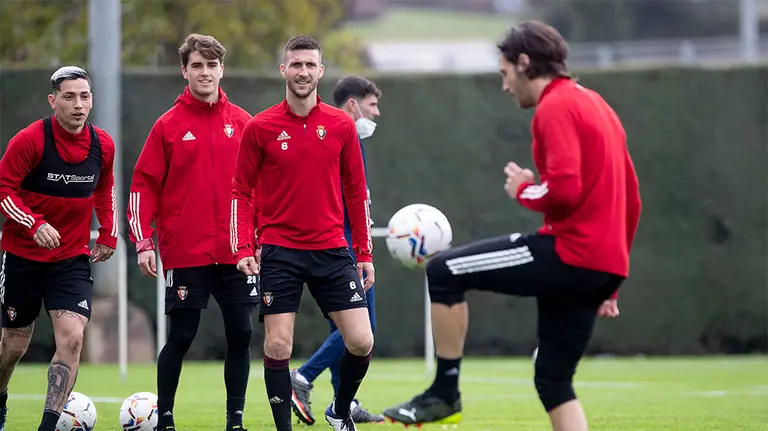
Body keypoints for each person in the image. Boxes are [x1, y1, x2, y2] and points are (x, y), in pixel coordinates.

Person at [381, 20, 642, 431]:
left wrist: (524, 189)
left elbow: (564, 191)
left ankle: (444, 392)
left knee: (443, 270)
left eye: (504, 74)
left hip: (569, 254)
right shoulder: (598, 105)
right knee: (554, 380)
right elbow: (633, 198)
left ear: (524, 63)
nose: (505, 86)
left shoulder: (554, 106)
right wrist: (612, 280)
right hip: (602, 267)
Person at [231, 35, 375, 431]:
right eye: (296, 64)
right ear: (284, 70)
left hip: (332, 249)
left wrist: (364, 252)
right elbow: (240, 191)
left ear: (320, 71)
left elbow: (356, 193)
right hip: (280, 251)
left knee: (362, 341)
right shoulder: (260, 127)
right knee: (278, 345)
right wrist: (244, 245)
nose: (303, 72)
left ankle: (339, 410)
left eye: (310, 65)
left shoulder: (341, 125)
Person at [126, 34, 255, 431]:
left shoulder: (244, 122)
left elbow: (264, 187)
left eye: (211, 65)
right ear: (185, 71)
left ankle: (235, 421)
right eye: (197, 66)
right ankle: (164, 420)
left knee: (242, 333)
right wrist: (144, 242)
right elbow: (141, 186)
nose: (205, 72)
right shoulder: (167, 126)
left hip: (236, 254)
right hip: (186, 253)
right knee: (181, 336)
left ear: (222, 70)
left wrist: (258, 239)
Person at [0, 66, 118, 431]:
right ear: (53, 101)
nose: (78, 104)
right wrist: (33, 224)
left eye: (84, 96)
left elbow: (104, 188)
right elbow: (4, 190)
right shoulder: (30, 140)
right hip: (23, 258)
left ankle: (47, 426)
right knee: (13, 349)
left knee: (72, 336)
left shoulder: (103, 145)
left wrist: (109, 231)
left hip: (71, 258)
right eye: (69, 96)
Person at [289, 75, 385, 425]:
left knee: (340, 331)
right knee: (363, 330)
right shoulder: (338, 135)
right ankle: (302, 377)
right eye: (372, 105)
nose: (377, 114)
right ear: (353, 104)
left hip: (345, 246)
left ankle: (346, 401)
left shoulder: (347, 138)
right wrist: (359, 250)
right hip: (342, 249)